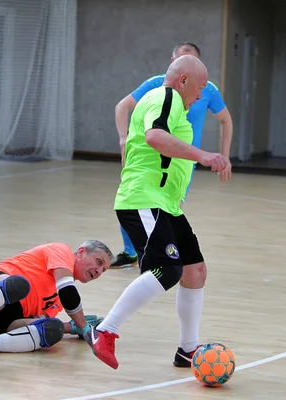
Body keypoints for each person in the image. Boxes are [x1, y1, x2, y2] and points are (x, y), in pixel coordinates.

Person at [84, 55, 229, 370]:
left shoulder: (174, 101)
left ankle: (188, 350)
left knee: (195, 271)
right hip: (143, 199)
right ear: (183, 80)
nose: (202, 96)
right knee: (168, 269)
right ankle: (105, 330)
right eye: (201, 87)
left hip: (165, 204)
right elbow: (155, 136)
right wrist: (202, 155)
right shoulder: (166, 97)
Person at [110, 42, 233, 269]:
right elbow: (125, 109)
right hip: (157, 165)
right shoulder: (160, 89)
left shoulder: (207, 89)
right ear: (177, 70)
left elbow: (226, 120)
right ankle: (135, 252)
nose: (198, 94)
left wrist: (223, 157)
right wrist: (123, 138)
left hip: (184, 160)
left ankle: (156, 254)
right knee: (163, 262)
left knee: (189, 265)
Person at [0, 241, 113, 358]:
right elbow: (69, 294)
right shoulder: (61, 251)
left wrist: (71, 328)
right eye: (98, 262)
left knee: (52, 329)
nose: (99, 271)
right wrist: (84, 327)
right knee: (18, 285)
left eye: (103, 270)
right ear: (81, 252)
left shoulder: (56, 302)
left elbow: (28, 322)